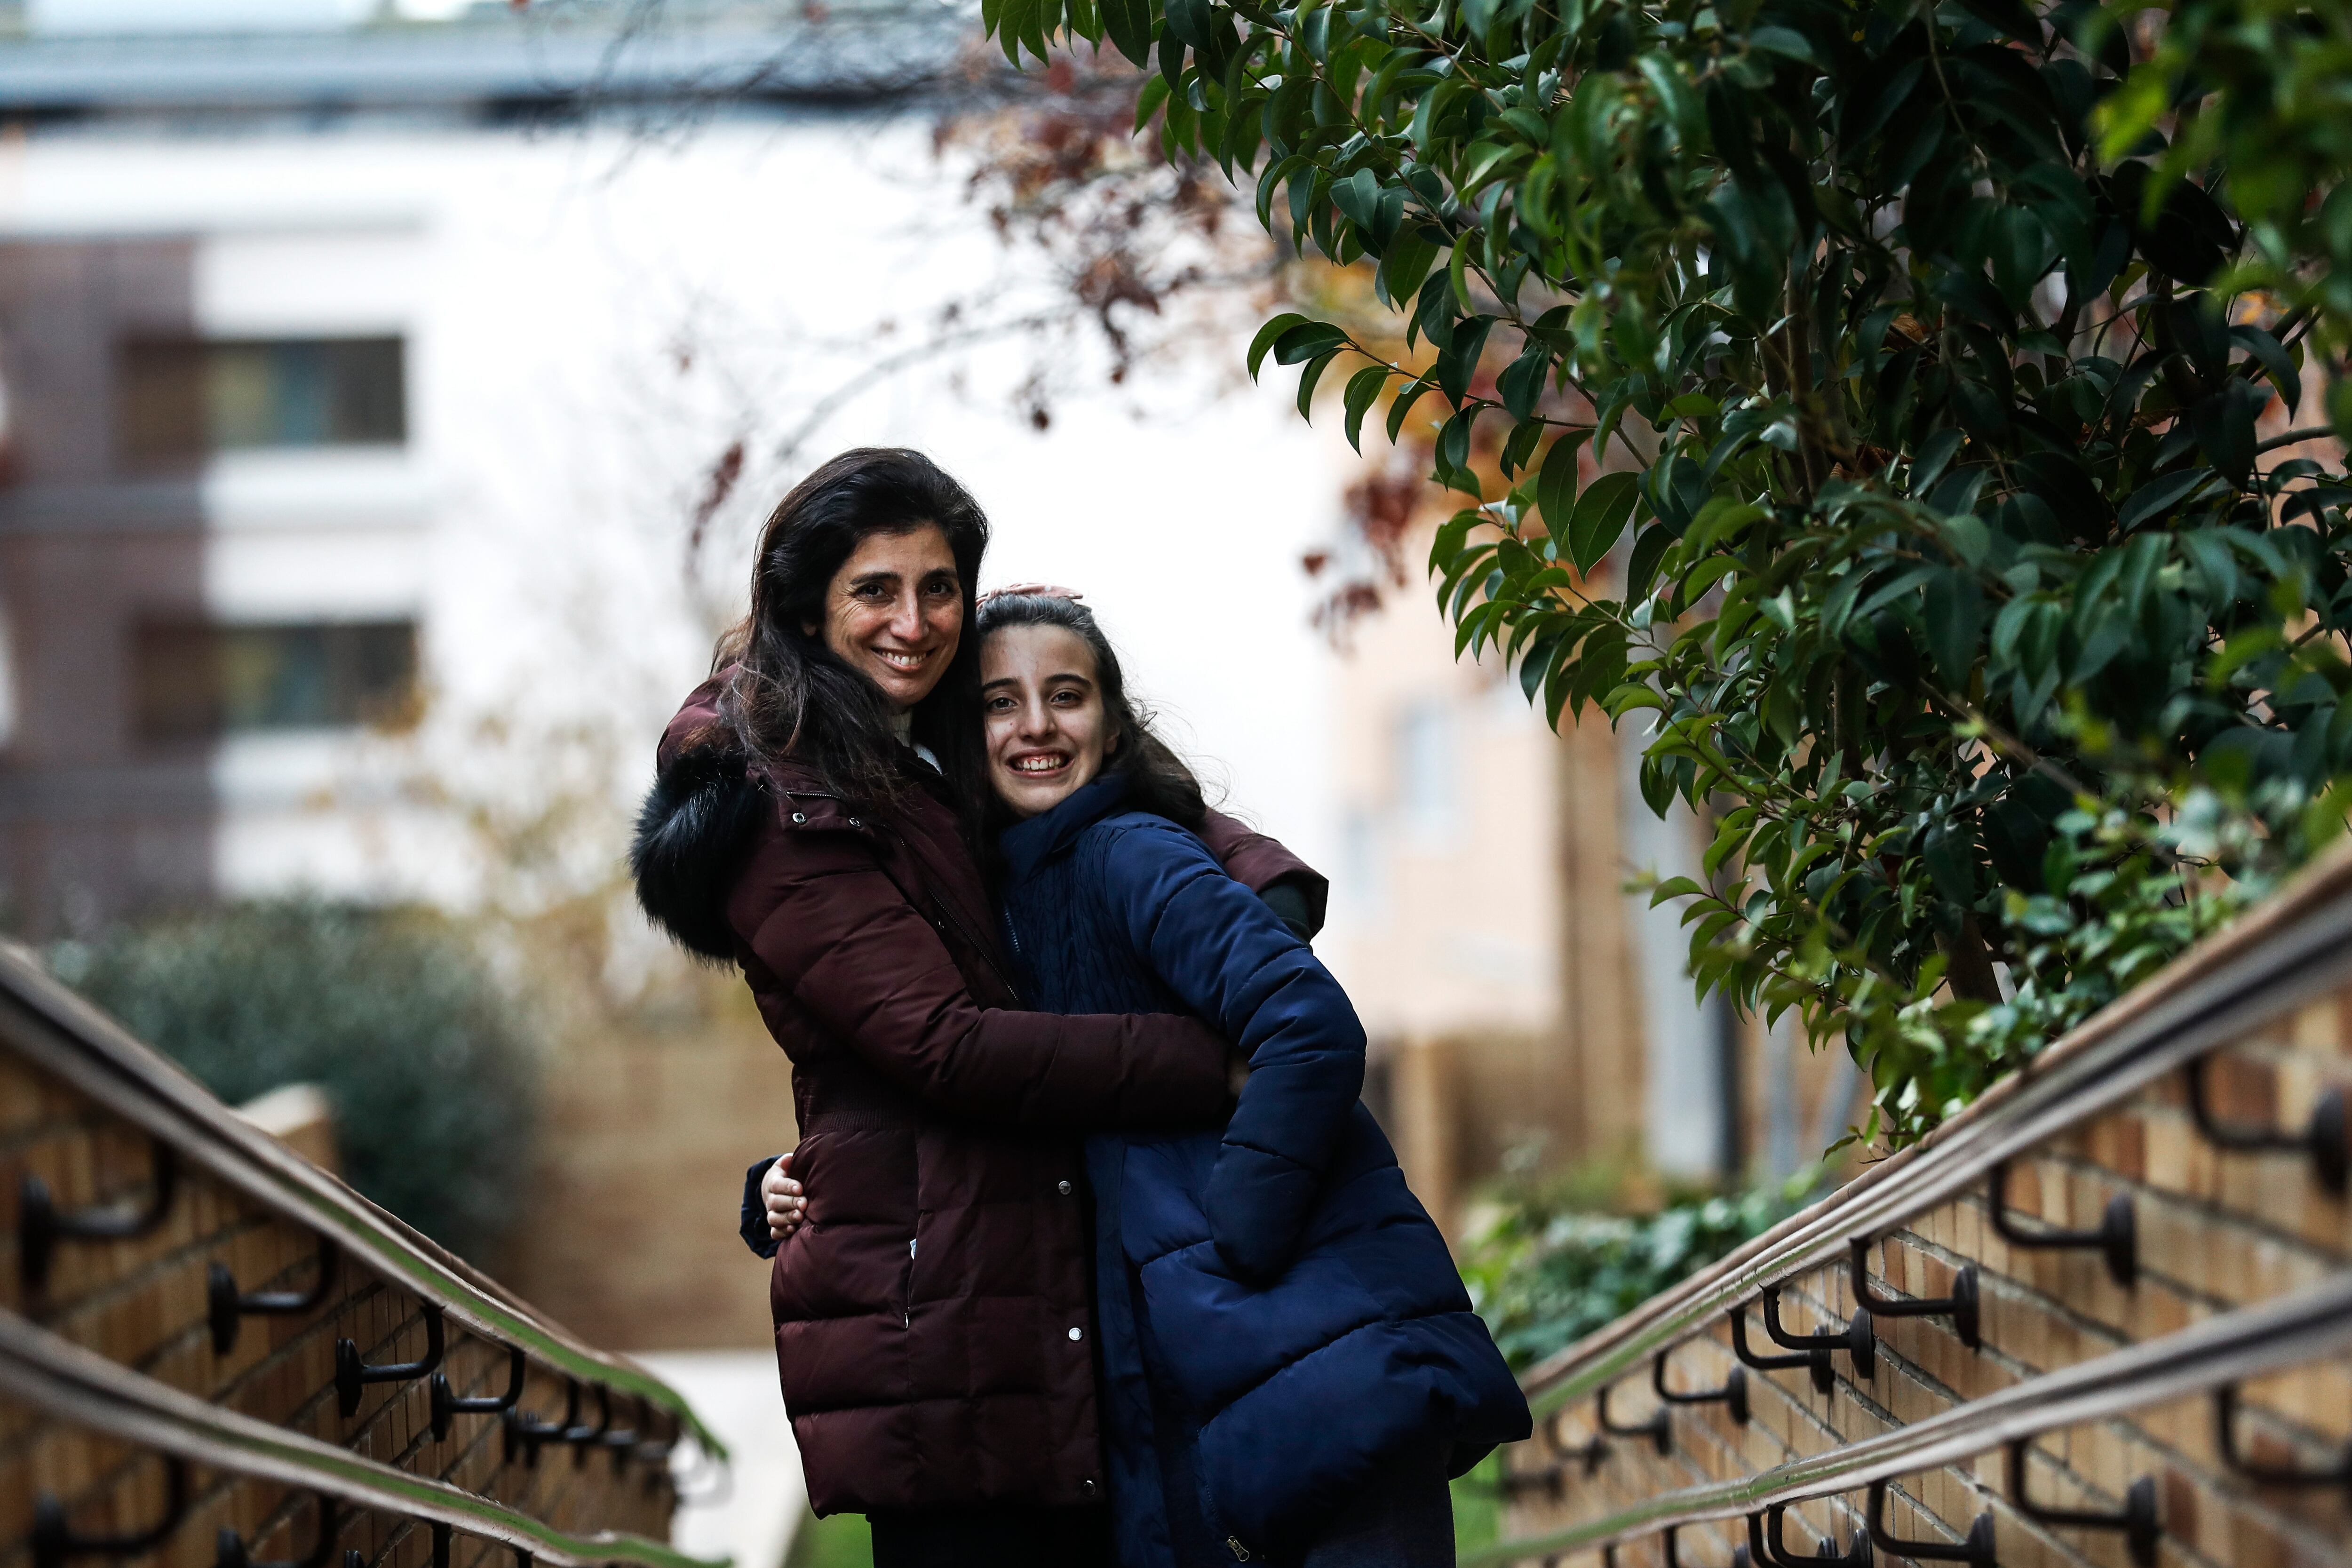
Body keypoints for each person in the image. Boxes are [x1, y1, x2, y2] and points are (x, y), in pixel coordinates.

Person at [630, 450, 1322, 1568]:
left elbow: (1102, 771)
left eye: (937, 585)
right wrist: (1214, 1062)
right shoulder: (783, 805)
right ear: (808, 605)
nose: (913, 620)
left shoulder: (920, 734)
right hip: (940, 1326)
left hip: (1033, 1262)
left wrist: (1259, 903)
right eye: (875, 589)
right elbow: (941, 1045)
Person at [766, 590, 1531, 1568]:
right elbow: (982, 1082)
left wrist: (1237, 1228)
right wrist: (787, 1178)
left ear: (1114, 721)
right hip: (1215, 1384)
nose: (1036, 725)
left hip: (1322, 1360)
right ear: (965, 731)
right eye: (1001, 701)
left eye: (1066, 694)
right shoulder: (1012, 902)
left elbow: (1307, 1025)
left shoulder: (1127, 852)